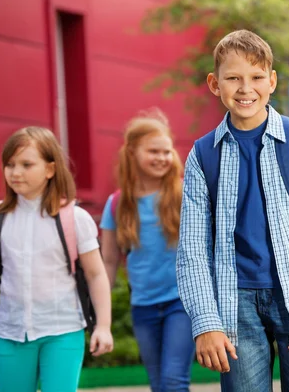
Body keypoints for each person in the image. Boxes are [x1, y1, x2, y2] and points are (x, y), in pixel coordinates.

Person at [176, 29, 289, 392]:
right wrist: (206, 322)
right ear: (214, 84)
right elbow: (192, 250)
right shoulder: (203, 155)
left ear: (272, 81)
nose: (245, 88)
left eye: (255, 77)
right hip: (236, 305)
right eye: (233, 78)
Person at [0, 127, 113, 392]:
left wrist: (103, 326)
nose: (15, 172)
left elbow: (96, 275)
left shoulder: (75, 219)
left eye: (27, 164)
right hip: (10, 333)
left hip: (63, 331)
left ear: (50, 169)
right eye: (10, 164)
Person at [100, 109, 194, 392]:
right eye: (153, 151)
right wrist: (100, 308)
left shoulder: (184, 193)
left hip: (182, 302)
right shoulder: (117, 203)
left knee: (173, 380)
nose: (162, 158)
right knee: (158, 384)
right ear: (131, 152)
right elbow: (107, 260)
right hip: (143, 306)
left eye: (166, 151)